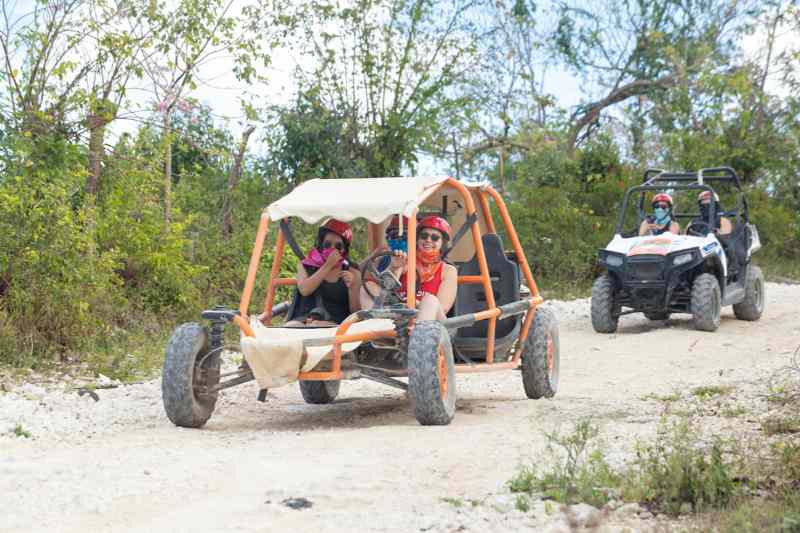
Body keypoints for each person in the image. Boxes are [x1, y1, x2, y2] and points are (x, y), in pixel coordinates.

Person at [362, 215, 457, 321]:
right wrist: (394, 267)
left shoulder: (448, 270)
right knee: (367, 286)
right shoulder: (406, 260)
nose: (428, 240)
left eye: (435, 238)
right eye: (424, 236)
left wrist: (415, 304)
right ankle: (374, 329)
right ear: (417, 239)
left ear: (442, 243)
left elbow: (442, 308)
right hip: (401, 318)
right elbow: (386, 290)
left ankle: (419, 336)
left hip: (433, 324)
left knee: (430, 301)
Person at [280, 219, 362, 327]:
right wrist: (328, 265)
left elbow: (355, 312)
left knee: (317, 326)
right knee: (291, 326)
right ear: (320, 245)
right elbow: (304, 290)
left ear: (344, 250)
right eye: (327, 245)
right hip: (304, 319)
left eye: (338, 246)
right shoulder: (306, 265)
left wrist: (352, 288)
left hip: (336, 325)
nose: (333, 249)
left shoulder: (353, 272)